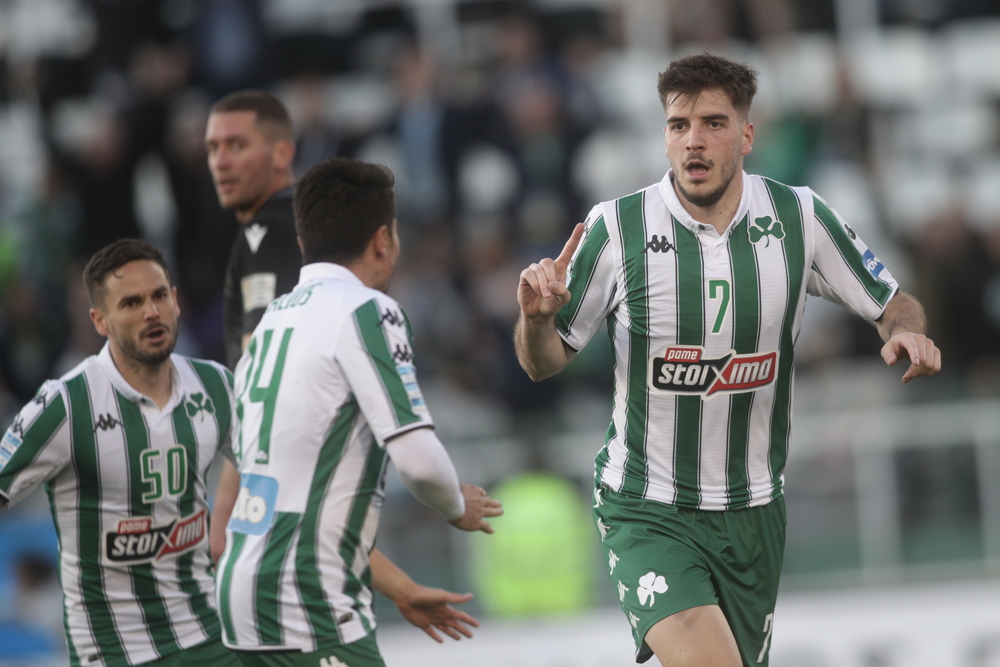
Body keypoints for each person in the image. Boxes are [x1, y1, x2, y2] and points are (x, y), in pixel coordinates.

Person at [513, 53, 941, 667]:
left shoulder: (798, 217)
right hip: (647, 506)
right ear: (665, 137)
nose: (694, 140)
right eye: (678, 125)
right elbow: (542, 364)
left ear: (746, 136)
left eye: (713, 123)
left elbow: (893, 302)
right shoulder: (616, 228)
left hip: (754, 512)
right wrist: (535, 321)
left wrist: (908, 333)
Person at [205, 91, 481, 644]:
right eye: (214, 147)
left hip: (242, 584)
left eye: (234, 144)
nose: (220, 161)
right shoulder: (367, 310)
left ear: (303, 242)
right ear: (384, 240)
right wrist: (456, 505)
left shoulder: (273, 320)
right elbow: (419, 462)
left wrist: (398, 585)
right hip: (309, 595)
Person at [0, 239, 243, 667]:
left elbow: (274, 469)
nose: (152, 312)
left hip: (208, 635)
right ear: (100, 320)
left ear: (176, 301)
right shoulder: (65, 404)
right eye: (131, 303)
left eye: (159, 296)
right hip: (114, 652)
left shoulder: (216, 385)